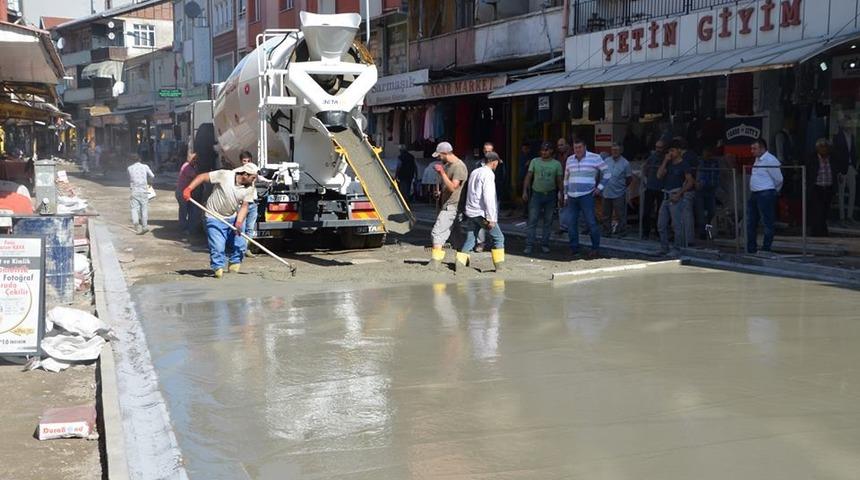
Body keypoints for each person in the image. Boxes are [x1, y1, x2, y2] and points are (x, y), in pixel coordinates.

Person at [182, 163, 258, 278]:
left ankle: (234, 266)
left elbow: (245, 206)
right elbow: (202, 177)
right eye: (253, 177)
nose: (255, 180)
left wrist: (238, 222)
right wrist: (189, 189)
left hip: (233, 216)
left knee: (240, 244)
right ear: (245, 174)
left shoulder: (250, 188)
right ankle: (218, 269)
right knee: (218, 247)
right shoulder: (225, 175)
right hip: (214, 216)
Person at [456, 152, 506, 272]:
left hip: (472, 211)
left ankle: (459, 264)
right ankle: (499, 267)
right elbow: (488, 197)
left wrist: (467, 209)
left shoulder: (475, 171)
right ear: (494, 162)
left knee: (470, 238)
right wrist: (491, 218)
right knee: (499, 238)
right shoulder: (488, 174)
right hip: (481, 213)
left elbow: (469, 192)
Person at [562, 140, 610, 258]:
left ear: (585, 147)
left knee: (591, 223)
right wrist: (565, 195)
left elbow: (607, 173)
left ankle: (595, 248)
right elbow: (566, 178)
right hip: (572, 195)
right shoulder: (570, 159)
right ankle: (574, 248)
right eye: (575, 148)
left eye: (579, 147)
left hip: (587, 195)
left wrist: (600, 188)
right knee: (571, 223)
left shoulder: (595, 157)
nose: (577, 150)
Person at [429, 141, 469, 269]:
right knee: (456, 236)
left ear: (445, 153)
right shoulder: (448, 165)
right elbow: (447, 185)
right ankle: (462, 260)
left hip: (452, 205)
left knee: (437, 232)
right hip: (447, 203)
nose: (438, 158)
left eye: (439, 155)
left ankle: (435, 263)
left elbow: (453, 187)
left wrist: (442, 173)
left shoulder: (459, 167)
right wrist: (439, 193)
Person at [522, 141, 563, 254]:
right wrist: (524, 191)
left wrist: (562, 195)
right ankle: (529, 244)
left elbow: (559, 181)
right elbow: (528, 177)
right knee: (532, 220)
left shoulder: (556, 164)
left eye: (546, 150)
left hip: (551, 194)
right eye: (542, 150)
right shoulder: (535, 161)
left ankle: (545, 244)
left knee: (548, 221)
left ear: (551, 151)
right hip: (536, 194)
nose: (544, 152)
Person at [656, 139, 695, 255]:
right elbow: (659, 175)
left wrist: (679, 194)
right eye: (669, 151)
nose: (670, 153)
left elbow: (690, 182)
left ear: (678, 151)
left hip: (676, 195)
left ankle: (677, 248)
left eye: (672, 151)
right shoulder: (668, 163)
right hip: (666, 195)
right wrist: (664, 161)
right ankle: (664, 247)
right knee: (661, 224)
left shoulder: (684, 164)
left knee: (677, 225)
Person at [747, 138, 783, 254]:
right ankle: (751, 248)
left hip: (765, 193)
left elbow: (779, 179)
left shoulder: (770, 160)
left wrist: (773, 191)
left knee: (767, 222)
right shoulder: (758, 159)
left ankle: (766, 248)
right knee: (751, 221)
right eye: (752, 148)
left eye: (754, 148)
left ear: (762, 148)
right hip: (756, 193)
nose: (752, 151)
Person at [601, 143, 632, 237]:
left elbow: (629, 179)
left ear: (621, 151)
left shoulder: (626, 163)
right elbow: (602, 174)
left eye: (617, 150)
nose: (614, 151)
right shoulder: (606, 161)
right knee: (606, 214)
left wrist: (621, 186)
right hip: (606, 192)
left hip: (619, 193)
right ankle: (607, 231)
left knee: (620, 214)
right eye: (613, 149)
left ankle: (622, 231)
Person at [806, 138, 836, 236]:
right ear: (817, 148)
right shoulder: (812, 158)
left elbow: (835, 170)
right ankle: (820, 232)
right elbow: (808, 173)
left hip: (828, 187)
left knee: (825, 210)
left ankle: (819, 231)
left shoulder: (832, 158)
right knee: (818, 211)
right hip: (816, 187)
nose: (823, 149)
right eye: (821, 147)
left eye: (825, 147)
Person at [833, 117, 857, 223]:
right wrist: (838, 171)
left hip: (851, 167)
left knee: (853, 192)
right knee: (841, 193)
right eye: (848, 123)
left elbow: (853, 152)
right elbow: (836, 155)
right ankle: (842, 217)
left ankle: (850, 215)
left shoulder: (851, 136)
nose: (850, 125)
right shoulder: (838, 137)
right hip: (842, 168)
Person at [695, 146, 721, 239]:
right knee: (701, 213)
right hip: (700, 190)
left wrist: (716, 185)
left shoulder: (715, 162)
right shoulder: (699, 162)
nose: (707, 154)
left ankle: (707, 228)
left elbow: (717, 175)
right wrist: (697, 183)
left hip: (711, 190)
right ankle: (702, 233)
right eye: (705, 152)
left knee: (712, 212)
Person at [641, 139, 666, 239]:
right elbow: (645, 168)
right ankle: (645, 232)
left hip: (661, 188)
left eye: (660, 147)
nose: (658, 149)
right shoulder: (651, 157)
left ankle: (658, 231)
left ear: (664, 148)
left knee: (660, 212)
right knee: (646, 211)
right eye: (657, 147)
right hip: (650, 187)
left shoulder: (666, 158)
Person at [127, 153, 155, 235]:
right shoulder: (145, 166)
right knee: (144, 208)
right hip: (144, 190)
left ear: (131, 160)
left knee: (134, 208)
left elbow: (131, 180)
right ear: (139, 159)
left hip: (135, 190)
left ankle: (136, 224)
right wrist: (150, 182)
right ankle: (145, 226)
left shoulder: (129, 168)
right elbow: (152, 176)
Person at [176, 151, 199, 236]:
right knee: (184, 211)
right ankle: (184, 229)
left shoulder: (192, 166)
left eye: (196, 159)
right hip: (182, 192)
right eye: (193, 159)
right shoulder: (187, 167)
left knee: (190, 210)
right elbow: (196, 176)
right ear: (188, 159)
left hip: (185, 191)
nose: (195, 161)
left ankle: (190, 228)